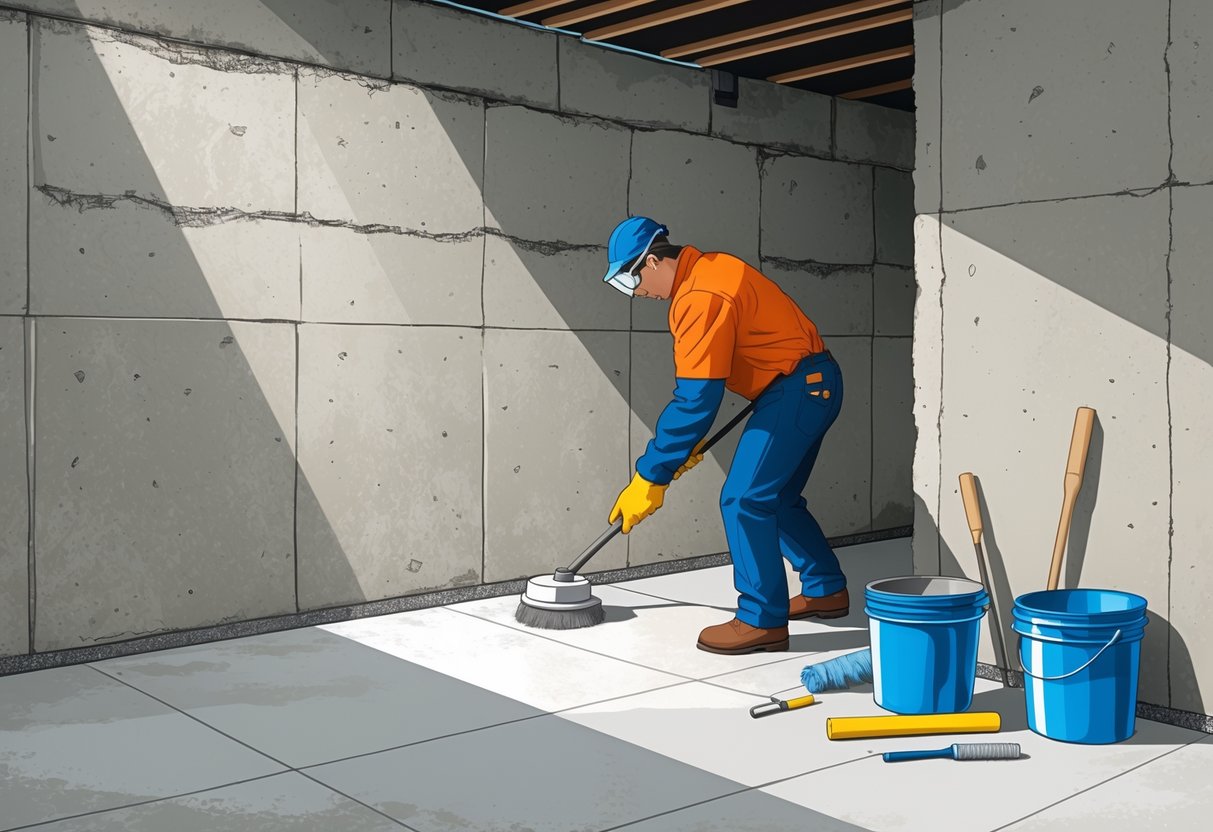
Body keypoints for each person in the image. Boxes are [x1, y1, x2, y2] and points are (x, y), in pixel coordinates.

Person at [602, 216, 848, 655]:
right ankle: (825, 588)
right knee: (778, 499)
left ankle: (761, 620)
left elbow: (695, 400)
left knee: (744, 500)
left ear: (652, 261)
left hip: (795, 390)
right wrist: (684, 447)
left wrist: (651, 475)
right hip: (811, 384)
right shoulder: (711, 267)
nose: (637, 293)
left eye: (632, 281)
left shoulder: (699, 297)